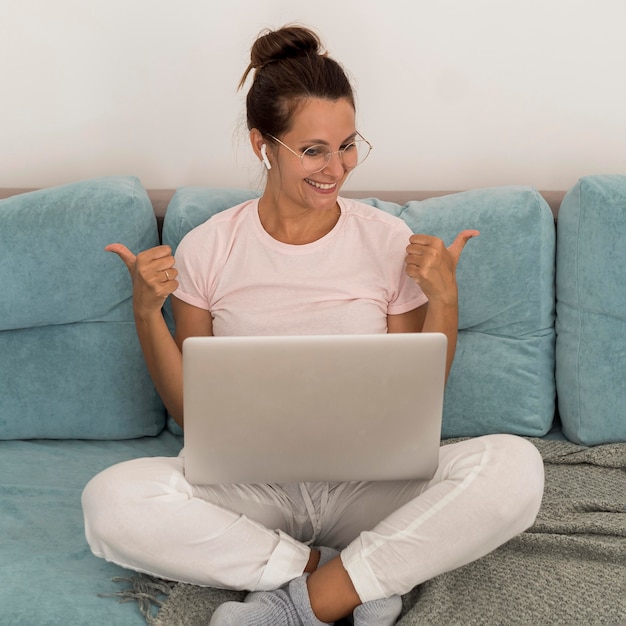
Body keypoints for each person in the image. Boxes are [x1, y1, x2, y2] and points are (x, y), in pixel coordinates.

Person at [82, 25, 545, 626]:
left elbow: (411, 398)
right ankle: (336, 573)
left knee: (516, 468)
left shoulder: (386, 240)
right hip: (251, 492)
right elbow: (195, 416)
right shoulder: (207, 249)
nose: (337, 168)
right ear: (262, 145)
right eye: (314, 150)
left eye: (348, 145)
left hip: (368, 486)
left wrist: (445, 301)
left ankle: (304, 604)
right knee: (112, 502)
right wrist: (147, 313)